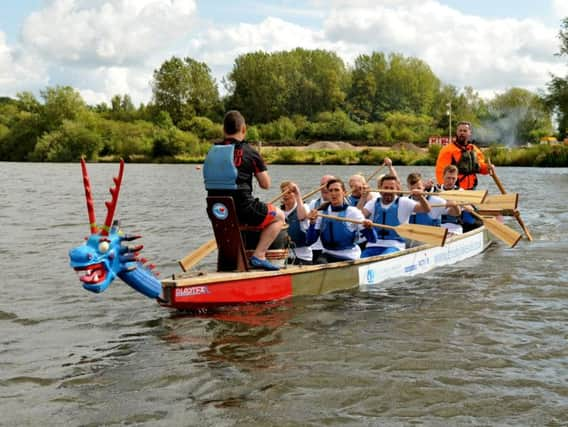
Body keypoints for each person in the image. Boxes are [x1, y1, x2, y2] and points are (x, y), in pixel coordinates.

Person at [203, 110, 285, 270]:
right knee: (279, 216)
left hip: (218, 211)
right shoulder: (250, 152)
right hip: (243, 210)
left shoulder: (212, 151)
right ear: (244, 129)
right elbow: (265, 184)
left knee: (235, 217)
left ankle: (229, 263)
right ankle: (259, 255)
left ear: (223, 130)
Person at [360, 174, 431, 258]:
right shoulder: (373, 202)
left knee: (385, 256)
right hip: (373, 245)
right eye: (386, 188)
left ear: (397, 189)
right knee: (363, 256)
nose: (388, 191)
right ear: (380, 189)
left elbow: (427, 209)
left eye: (391, 188)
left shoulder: (404, 202)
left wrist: (421, 197)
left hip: (395, 245)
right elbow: (358, 216)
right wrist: (363, 198)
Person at [306, 179, 373, 263]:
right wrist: (312, 223)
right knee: (320, 262)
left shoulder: (353, 212)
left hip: (349, 256)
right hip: (328, 254)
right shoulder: (321, 213)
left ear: (344, 192)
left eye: (337, 190)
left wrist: (369, 228)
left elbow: (372, 239)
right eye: (330, 191)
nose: (333, 193)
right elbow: (309, 241)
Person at [435, 121, 494, 190]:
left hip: (472, 188)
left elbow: (480, 167)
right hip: (455, 189)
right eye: (460, 131)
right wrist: (445, 189)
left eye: (465, 131)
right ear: (457, 132)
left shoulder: (474, 149)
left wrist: (488, 168)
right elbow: (441, 171)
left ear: (470, 133)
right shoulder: (448, 150)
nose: (462, 133)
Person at [406, 172, 461, 240]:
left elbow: (456, 213)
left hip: (433, 239)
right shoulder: (405, 202)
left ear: (423, 187)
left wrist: (455, 206)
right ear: (408, 188)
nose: (416, 192)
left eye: (418, 188)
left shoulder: (435, 201)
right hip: (412, 238)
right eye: (413, 189)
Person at [280, 181, 312, 265]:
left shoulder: (303, 207)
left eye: (289, 192)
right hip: (284, 257)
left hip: (302, 257)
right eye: (283, 192)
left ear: (295, 194)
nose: (285, 195)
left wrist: (298, 195)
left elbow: (301, 217)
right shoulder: (279, 212)